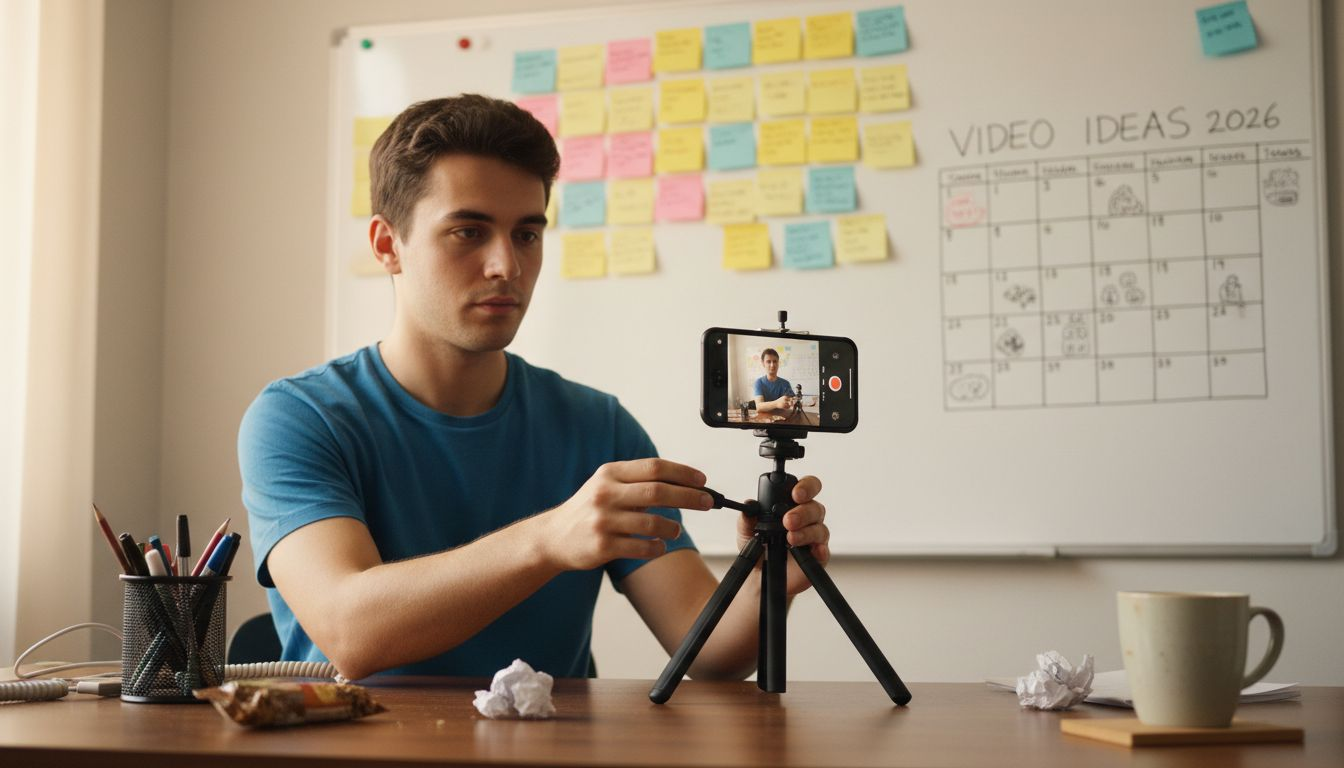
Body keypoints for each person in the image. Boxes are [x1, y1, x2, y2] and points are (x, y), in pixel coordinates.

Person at [237, 95, 831, 681]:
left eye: (526, 234)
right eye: (468, 231)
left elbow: (707, 650)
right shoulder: (300, 417)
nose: (507, 266)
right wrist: (550, 539)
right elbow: (350, 633)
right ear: (388, 245)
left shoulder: (597, 426)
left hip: (544, 735)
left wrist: (765, 585)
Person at [753, 348, 795, 414]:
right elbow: (759, 407)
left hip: (783, 418)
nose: (772, 365)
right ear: (763, 363)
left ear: (778, 363)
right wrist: (777, 403)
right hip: (764, 418)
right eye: (768, 362)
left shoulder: (785, 383)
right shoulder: (759, 382)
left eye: (775, 361)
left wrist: (793, 402)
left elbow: (793, 402)